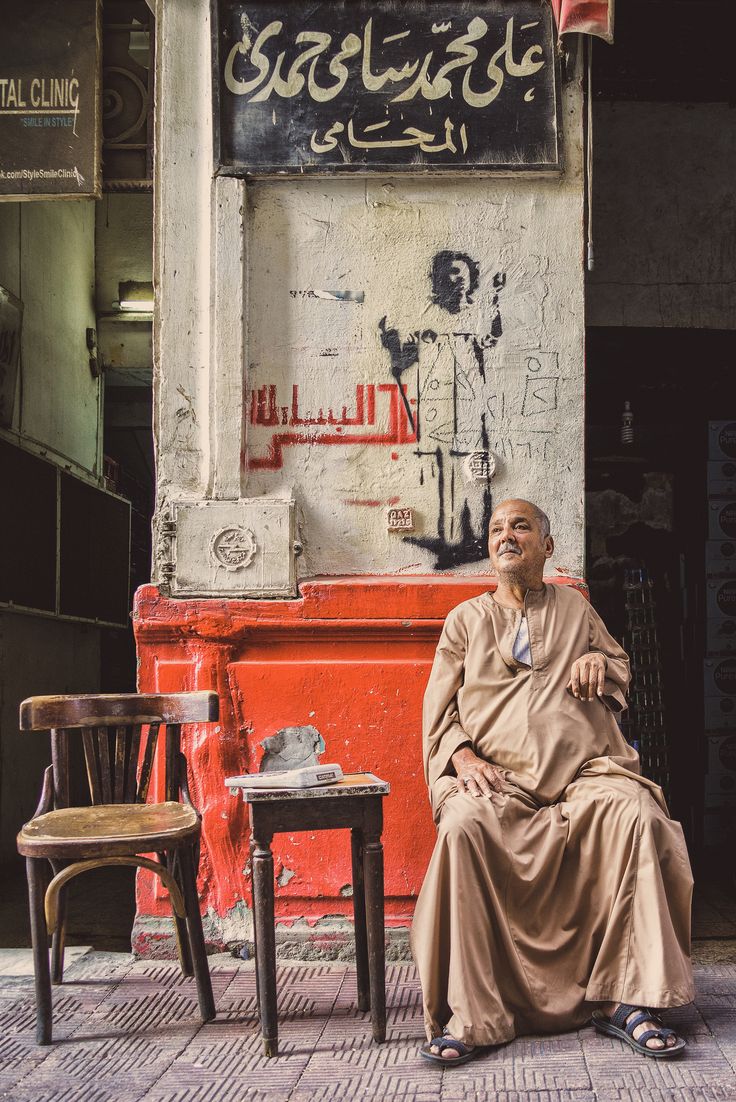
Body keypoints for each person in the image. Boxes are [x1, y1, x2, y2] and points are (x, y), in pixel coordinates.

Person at [411, 498, 694, 1065]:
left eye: (521, 526)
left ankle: (629, 1000)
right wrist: (462, 757)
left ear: (548, 545)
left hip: (585, 775)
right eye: (496, 529)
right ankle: (474, 1014)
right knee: (464, 826)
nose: (506, 536)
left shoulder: (577, 609)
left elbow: (619, 669)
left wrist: (600, 666)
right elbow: (438, 714)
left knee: (636, 814)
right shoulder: (466, 620)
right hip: (501, 780)